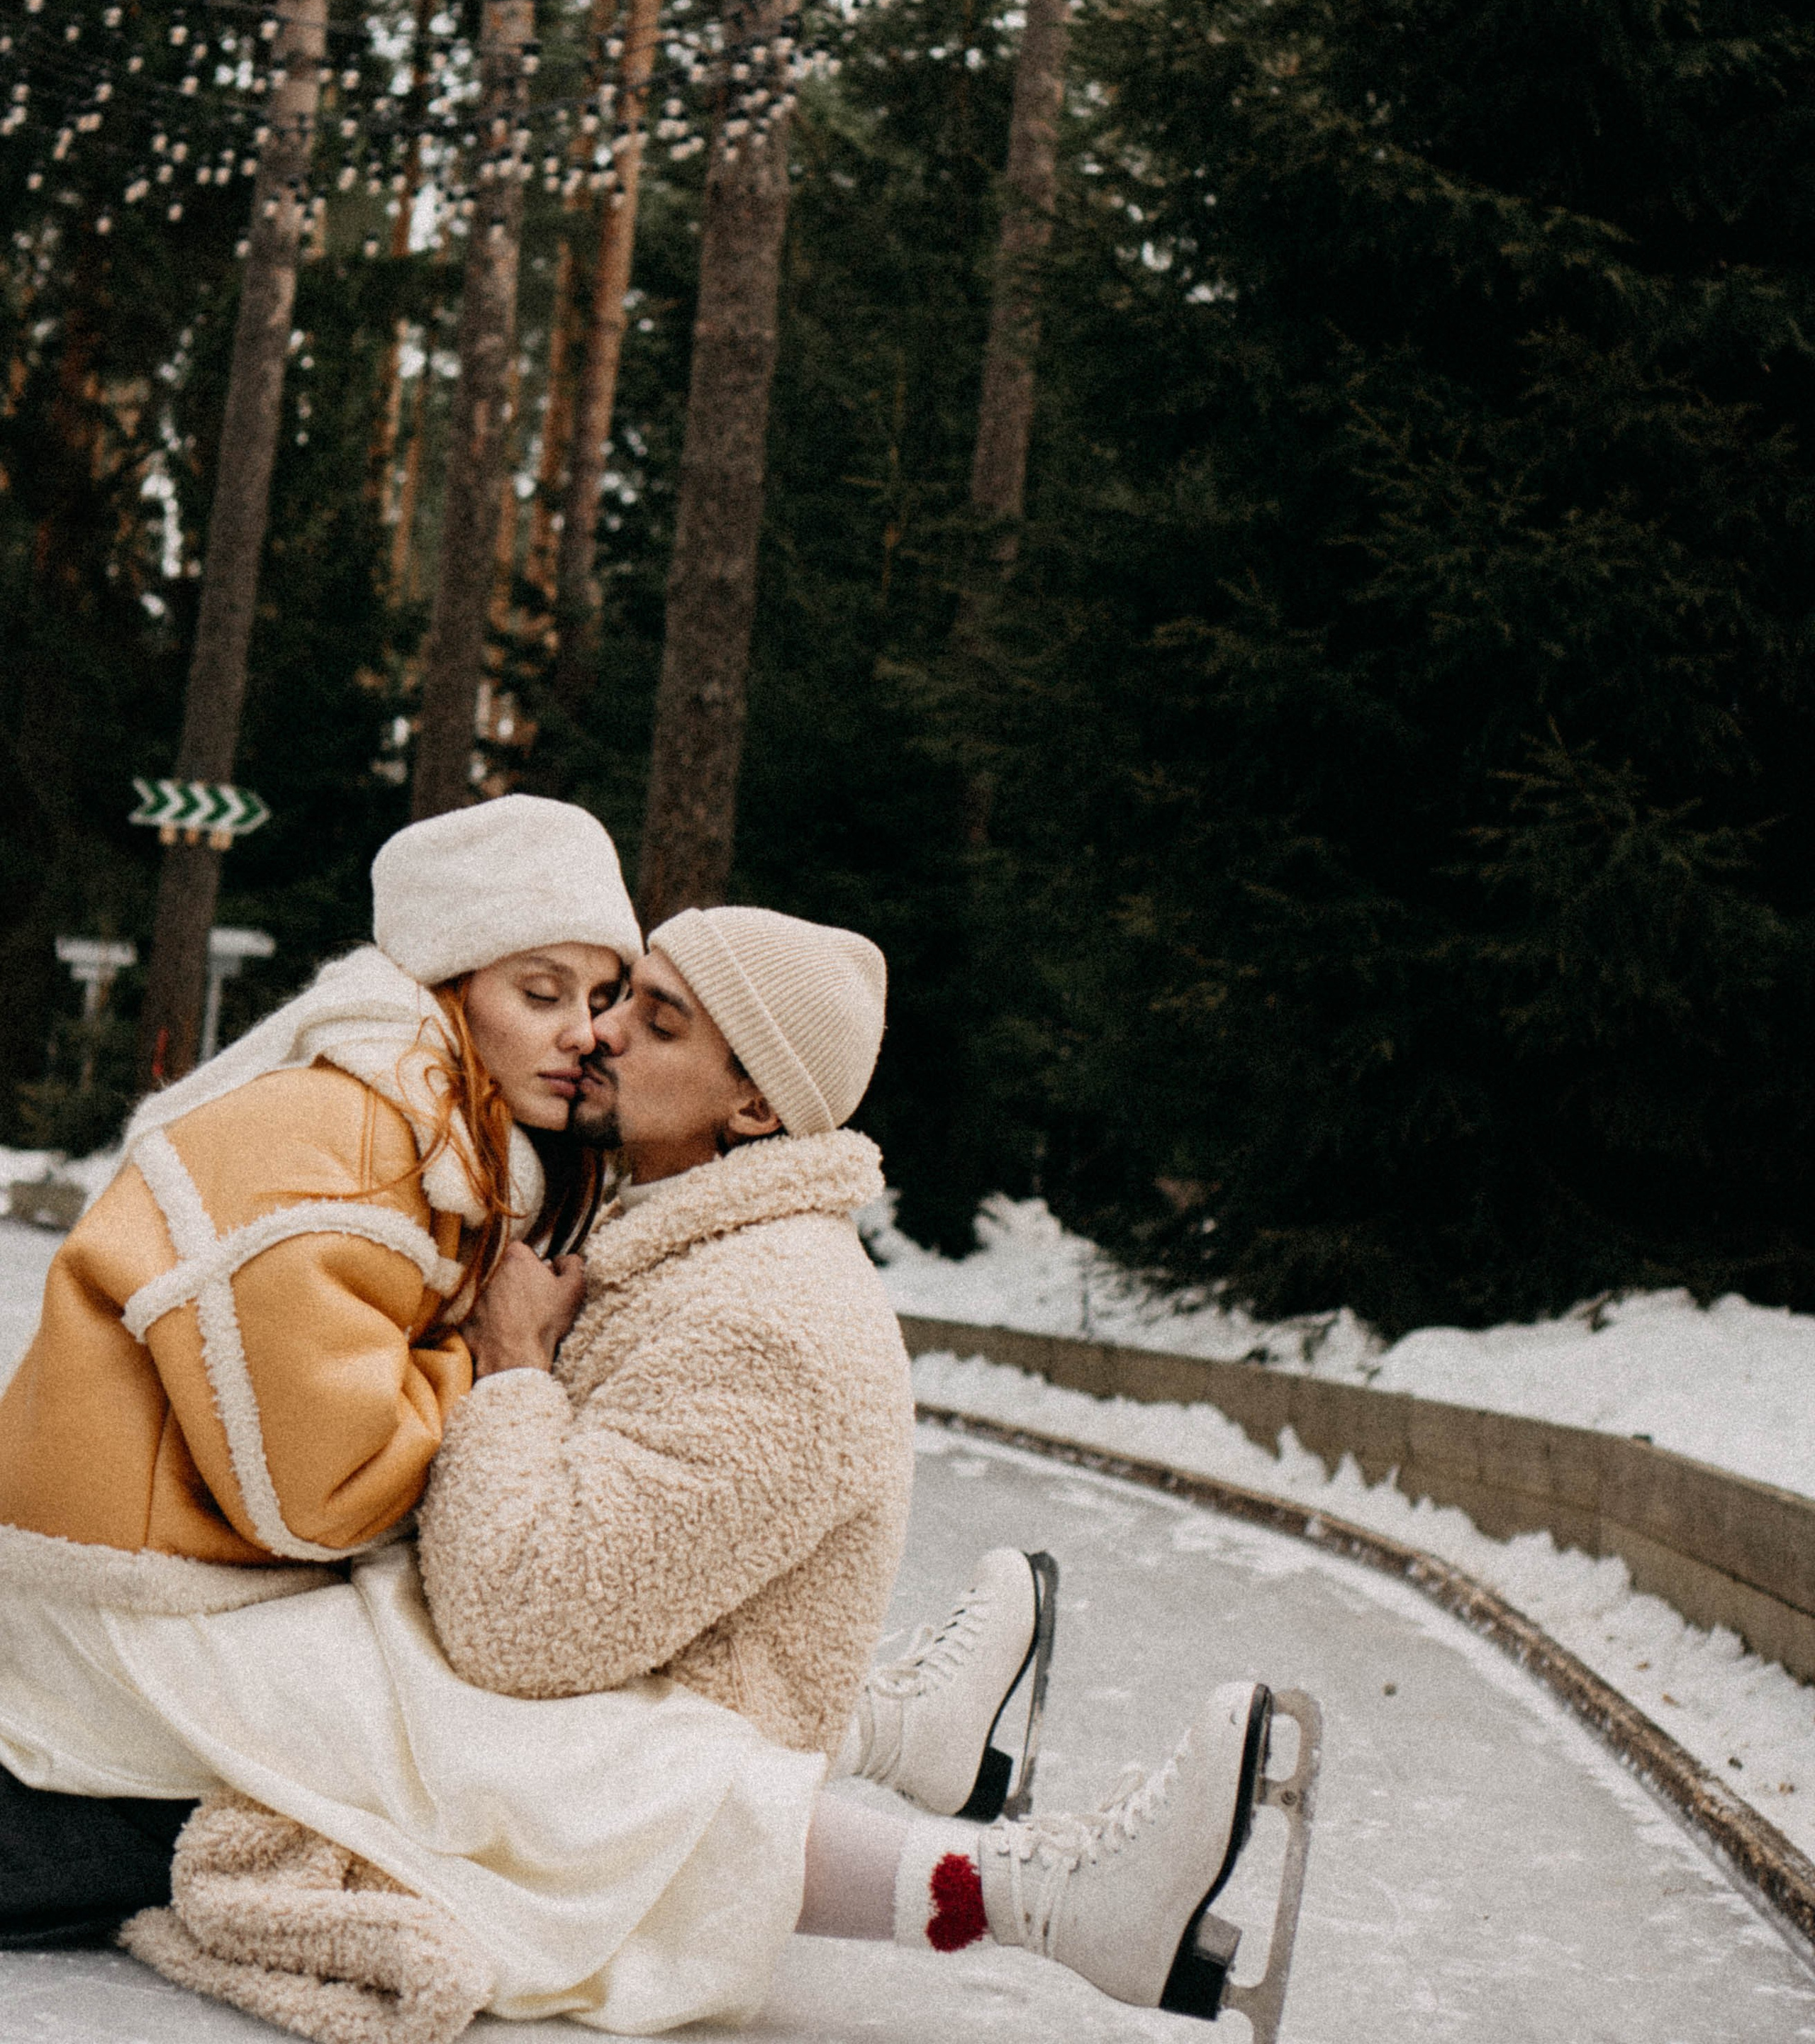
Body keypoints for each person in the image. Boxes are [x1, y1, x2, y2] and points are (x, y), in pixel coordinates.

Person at [108, 907, 1308, 2040]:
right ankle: (907, 1737)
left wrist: (517, 1364)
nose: (604, 1029)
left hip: (644, 1721)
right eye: (626, 994)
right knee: (240, 1652)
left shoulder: (770, 1318)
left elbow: (522, 1619)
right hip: (629, 1662)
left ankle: (1043, 1891)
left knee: (245, 1678)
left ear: (748, 1107)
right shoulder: (685, 1242)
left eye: (660, 1020)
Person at [0, 791, 641, 1942]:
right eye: (538, 992)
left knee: (526, 1703)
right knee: (500, 1752)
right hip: (127, 1613)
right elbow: (325, 1490)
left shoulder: (442, 1145)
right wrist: (505, 1360)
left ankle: (884, 1745)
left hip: (199, 1580)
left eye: (601, 998)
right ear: (447, 987)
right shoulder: (345, 1133)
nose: (583, 1033)